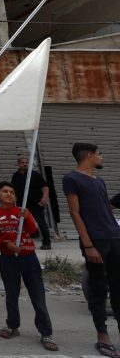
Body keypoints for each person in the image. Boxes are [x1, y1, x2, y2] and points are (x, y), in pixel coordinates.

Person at [0, 181, 58, 352]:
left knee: (37, 296)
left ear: (16, 196)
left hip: (28, 258)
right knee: (11, 294)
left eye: (12, 192)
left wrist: (28, 217)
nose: (9, 194)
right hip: (8, 259)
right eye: (5, 191)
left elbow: (33, 231)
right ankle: (12, 326)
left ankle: (46, 333)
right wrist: (5, 243)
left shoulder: (22, 212)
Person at [63, 143, 120, 358]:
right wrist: (88, 245)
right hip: (95, 241)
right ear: (89, 156)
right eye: (99, 154)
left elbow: (105, 209)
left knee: (118, 288)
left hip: (115, 237)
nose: (101, 158)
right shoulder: (72, 179)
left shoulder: (100, 180)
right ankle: (102, 335)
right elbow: (75, 213)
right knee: (98, 288)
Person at [11, 155, 52, 250]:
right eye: (22, 162)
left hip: (35, 202)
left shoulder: (34, 174)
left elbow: (45, 186)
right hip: (22, 204)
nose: (25, 164)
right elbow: (13, 189)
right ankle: (21, 242)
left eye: (26, 162)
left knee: (41, 223)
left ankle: (47, 243)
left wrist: (44, 197)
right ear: (18, 164)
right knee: (21, 223)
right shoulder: (15, 176)